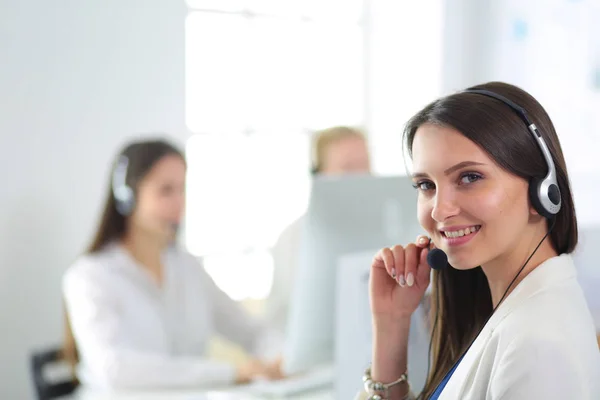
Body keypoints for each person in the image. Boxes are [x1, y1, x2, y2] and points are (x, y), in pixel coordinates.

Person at [357, 82, 600, 400]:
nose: (440, 210)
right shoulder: (506, 310)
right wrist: (391, 324)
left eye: (469, 177)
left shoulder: (537, 346)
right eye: (426, 184)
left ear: (543, 189)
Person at [62, 138, 282, 391]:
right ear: (127, 196)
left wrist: (279, 359)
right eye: (166, 190)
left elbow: (251, 331)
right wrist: (232, 373)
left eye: (182, 189)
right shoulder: (90, 277)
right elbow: (115, 369)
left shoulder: (187, 267)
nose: (179, 203)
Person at [265, 126, 371, 334]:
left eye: (364, 165)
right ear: (319, 175)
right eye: (348, 168)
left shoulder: (392, 231)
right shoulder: (293, 239)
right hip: (316, 363)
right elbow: (277, 323)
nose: (361, 177)